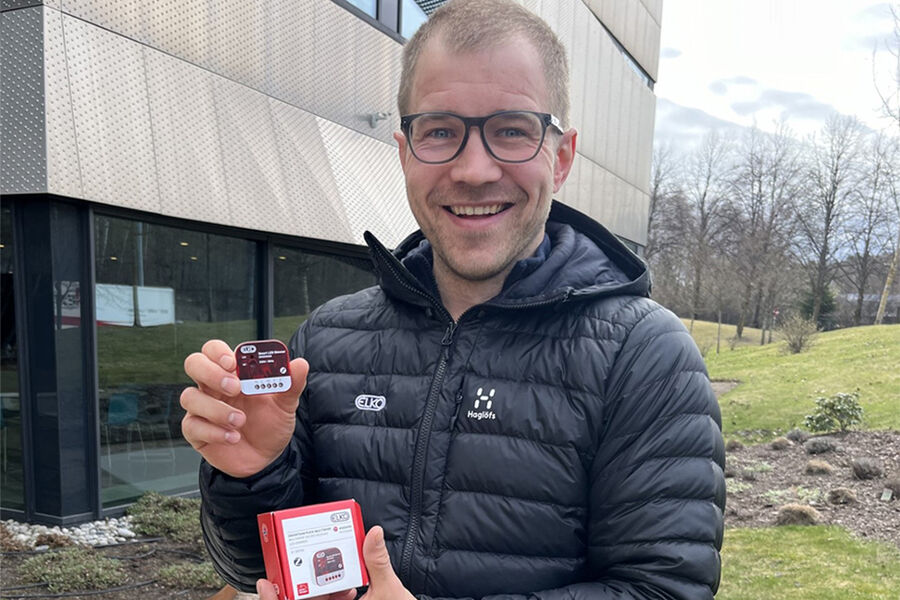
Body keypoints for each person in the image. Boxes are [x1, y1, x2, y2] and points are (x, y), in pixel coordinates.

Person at [181, 0, 726, 598]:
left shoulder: (643, 354)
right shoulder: (328, 339)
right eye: (440, 130)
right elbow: (257, 574)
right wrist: (253, 474)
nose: (473, 169)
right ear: (405, 152)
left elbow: (665, 591)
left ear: (561, 157)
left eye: (511, 131)